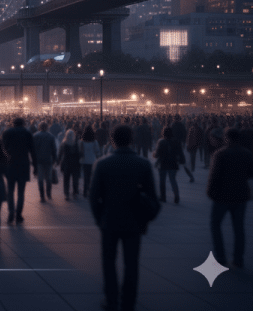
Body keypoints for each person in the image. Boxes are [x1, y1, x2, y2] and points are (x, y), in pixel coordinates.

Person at [89, 124, 160, 311]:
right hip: (134, 221)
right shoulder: (143, 164)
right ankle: (129, 301)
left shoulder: (102, 164)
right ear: (131, 139)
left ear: (112, 140)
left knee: (108, 262)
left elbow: (93, 197)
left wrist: (99, 218)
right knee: (132, 264)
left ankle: (111, 299)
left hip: (109, 220)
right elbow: (153, 198)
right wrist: (145, 218)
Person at [206, 126, 253, 269]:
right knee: (239, 228)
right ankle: (238, 258)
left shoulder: (220, 154)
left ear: (226, 138)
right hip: (241, 195)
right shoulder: (247, 154)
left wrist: (210, 192)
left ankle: (221, 257)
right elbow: (251, 174)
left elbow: (214, 176)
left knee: (215, 224)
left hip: (222, 195)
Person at [1, 117, 36, 224]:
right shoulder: (27, 133)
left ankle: (11, 211)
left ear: (13, 123)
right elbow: (32, 150)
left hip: (10, 164)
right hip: (23, 164)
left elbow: (2, 149)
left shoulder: (7, 132)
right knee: (21, 192)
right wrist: (35, 166)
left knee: (10, 190)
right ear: (23, 123)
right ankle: (19, 214)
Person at [153, 126, 184, 204]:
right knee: (173, 180)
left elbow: (157, 154)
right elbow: (180, 153)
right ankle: (176, 196)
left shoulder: (161, 142)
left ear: (163, 133)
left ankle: (163, 197)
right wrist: (182, 160)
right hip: (173, 163)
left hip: (163, 164)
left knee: (162, 181)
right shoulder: (176, 141)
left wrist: (154, 154)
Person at [32, 122, 57, 202]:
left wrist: (33, 160)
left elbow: (33, 150)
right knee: (48, 178)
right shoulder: (51, 136)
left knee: (40, 179)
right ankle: (49, 194)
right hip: (48, 159)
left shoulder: (35, 136)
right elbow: (54, 149)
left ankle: (42, 196)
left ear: (39, 127)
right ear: (47, 127)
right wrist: (55, 159)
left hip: (39, 160)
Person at [58, 129, 81, 200]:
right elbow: (80, 153)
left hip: (66, 163)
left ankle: (66, 194)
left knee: (66, 179)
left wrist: (57, 161)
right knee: (75, 179)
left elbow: (60, 153)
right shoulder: (77, 142)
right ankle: (75, 193)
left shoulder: (63, 143)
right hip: (75, 163)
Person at [79, 125, 101, 198]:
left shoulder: (82, 141)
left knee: (86, 177)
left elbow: (80, 151)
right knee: (92, 177)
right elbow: (97, 151)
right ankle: (90, 191)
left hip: (85, 161)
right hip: (92, 160)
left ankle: (85, 191)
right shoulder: (94, 142)